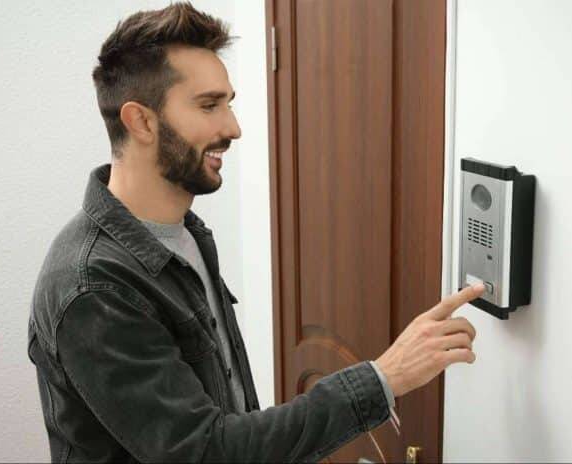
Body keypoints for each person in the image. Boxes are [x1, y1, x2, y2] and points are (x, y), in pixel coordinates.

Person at [26, 2, 485, 462]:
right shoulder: (94, 286)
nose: (233, 127)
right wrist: (384, 377)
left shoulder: (185, 235)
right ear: (141, 121)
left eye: (228, 103)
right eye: (209, 105)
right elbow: (206, 452)